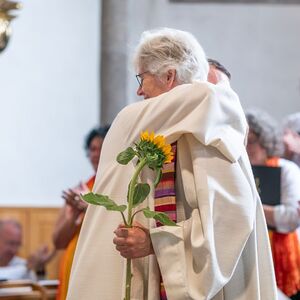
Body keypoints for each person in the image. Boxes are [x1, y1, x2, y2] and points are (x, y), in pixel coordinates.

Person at [67, 28, 277, 300]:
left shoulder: (210, 118)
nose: (139, 90)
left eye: (142, 77)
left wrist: (157, 242)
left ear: (169, 75)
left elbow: (229, 220)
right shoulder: (154, 122)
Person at [245, 109, 300, 299]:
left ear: (265, 139)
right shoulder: (241, 172)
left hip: (285, 255)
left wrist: (252, 208)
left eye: (251, 141)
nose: (246, 147)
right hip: (253, 254)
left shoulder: (287, 170)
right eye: (243, 141)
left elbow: (292, 217)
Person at [53, 125, 109, 300]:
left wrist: (90, 209)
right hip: (73, 261)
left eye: (102, 148)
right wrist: (75, 215)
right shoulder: (79, 191)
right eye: (92, 149)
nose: (97, 154)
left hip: (100, 264)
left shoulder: (117, 187)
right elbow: (58, 242)